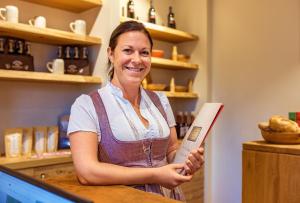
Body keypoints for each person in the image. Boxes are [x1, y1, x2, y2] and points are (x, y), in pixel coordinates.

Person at [67, 21, 204, 201]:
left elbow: (171, 150)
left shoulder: (160, 101)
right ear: (110, 53)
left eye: (144, 52)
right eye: (128, 50)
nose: (137, 59)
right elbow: (87, 172)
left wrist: (187, 161)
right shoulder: (86, 105)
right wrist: (155, 175)